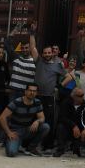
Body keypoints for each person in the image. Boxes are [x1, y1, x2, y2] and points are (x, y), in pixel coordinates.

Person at [28, 22, 68, 152]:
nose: (46, 54)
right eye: (44, 52)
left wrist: (60, 85)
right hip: (36, 97)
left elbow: (69, 76)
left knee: (49, 122)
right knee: (34, 120)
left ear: (52, 53)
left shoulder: (58, 65)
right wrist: (32, 33)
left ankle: (47, 145)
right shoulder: (38, 61)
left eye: (48, 52)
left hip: (50, 98)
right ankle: (32, 144)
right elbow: (33, 48)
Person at [0, 83, 49, 157]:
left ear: (37, 93)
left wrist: (37, 121)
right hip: (16, 131)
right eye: (30, 90)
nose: (32, 93)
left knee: (45, 127)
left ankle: (31, 148)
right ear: (25, 91)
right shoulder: (16, 102)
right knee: (11, 153)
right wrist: (9, 132)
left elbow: (42, 118)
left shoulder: (37, 102)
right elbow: (2, 117)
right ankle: (14, 143)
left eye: (34, 91)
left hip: (28, 129)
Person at [4, 27, 36, 100]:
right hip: (14, 92)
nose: (24, 50)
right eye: (23, 48)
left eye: (26, 48)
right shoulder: (16, 57)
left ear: (30, 48)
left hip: (27, 93)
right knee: (12, 111)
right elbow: (7, 43)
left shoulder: (34, 60)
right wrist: (15, 30)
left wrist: (32, 33)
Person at [53, 88, 85, 157]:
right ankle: (60, 149)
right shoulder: (65, 102)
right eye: (80, 96)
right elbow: (62, 117)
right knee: (60, 127)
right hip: (68, 127)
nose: (82, 97)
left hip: (80, 127)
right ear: (73, 96)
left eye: (83, 95)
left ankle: (76, 149)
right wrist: (73, 126)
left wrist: (84, 128)